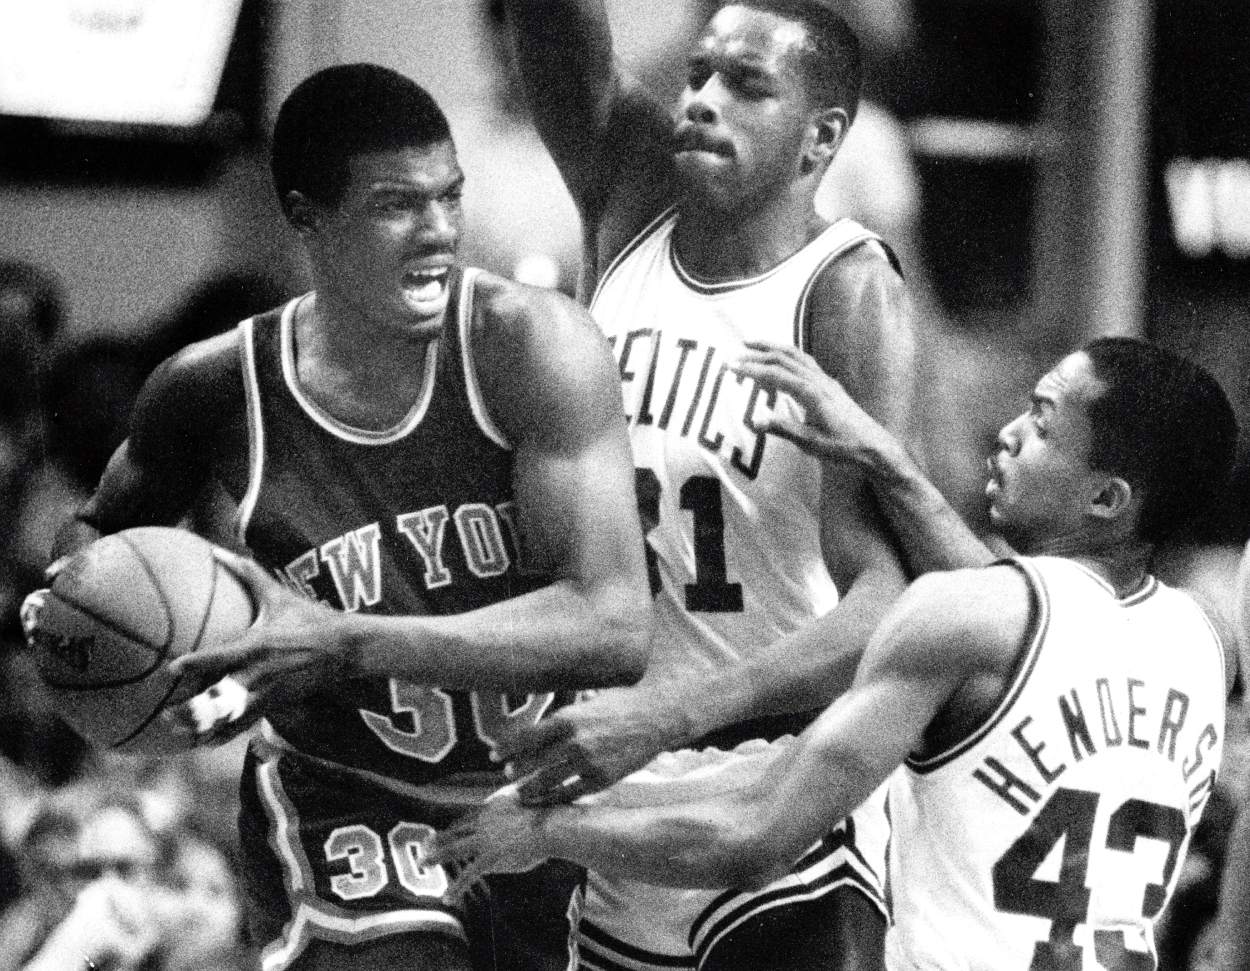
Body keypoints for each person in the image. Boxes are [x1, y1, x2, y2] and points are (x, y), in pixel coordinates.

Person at [31, 64, 652, 971]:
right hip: (345, 799)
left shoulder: (532, 346)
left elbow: (611, 624)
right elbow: (93, 536)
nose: (439, 232)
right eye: (398, 204)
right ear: (307, 217)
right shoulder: (213, 385)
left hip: (537, 795)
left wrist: (346, 640)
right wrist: (75, 615)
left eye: (450, 197)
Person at [435, 336, 1241, 971]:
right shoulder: (1207, 641)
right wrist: (887, 460)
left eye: (1041, 420)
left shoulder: (965, 613)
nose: (1009, 431)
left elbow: (755, 838)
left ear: (1105, 499)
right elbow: (1034, 633)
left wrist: (549, 830)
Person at [496, 1, 914, 969]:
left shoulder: (845, 290)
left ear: (821, 139)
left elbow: (883, 597)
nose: (700, 101)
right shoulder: (631, 192)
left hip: (778, 785)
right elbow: (563, 42)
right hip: (606, 776)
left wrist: (673, 714)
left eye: (744, 84)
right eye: (695, 75)